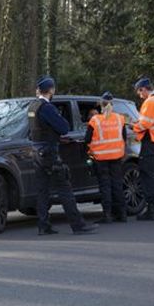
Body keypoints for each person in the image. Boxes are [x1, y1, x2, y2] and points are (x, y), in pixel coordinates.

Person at [28, 76, 98, 235]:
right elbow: (64, 127)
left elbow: (38, 129)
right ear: (51, 90)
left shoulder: (32, 107)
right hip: (49, 153)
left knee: (42, 191)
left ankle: (43, 225)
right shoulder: (47, 108)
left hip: (37, 152)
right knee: (64, 188)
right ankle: (78, 225)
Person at [85, 92, 127, 223]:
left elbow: (87, 139)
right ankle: (122, 214)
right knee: (117, 185)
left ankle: (107, 215)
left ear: (101, 105)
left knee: (105, 186)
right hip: (116, 156)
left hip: (101, 158)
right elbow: (124, 137)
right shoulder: (120, 118)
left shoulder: (95, 120)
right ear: (112, 104)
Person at [132, 77, 154, 221]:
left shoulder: (150, 101)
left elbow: (144, 124)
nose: (140, 96)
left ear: (144, 89)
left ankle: (151, 209)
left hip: (151, 143)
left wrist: (133, 127)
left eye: (140, 92)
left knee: (148, 176)